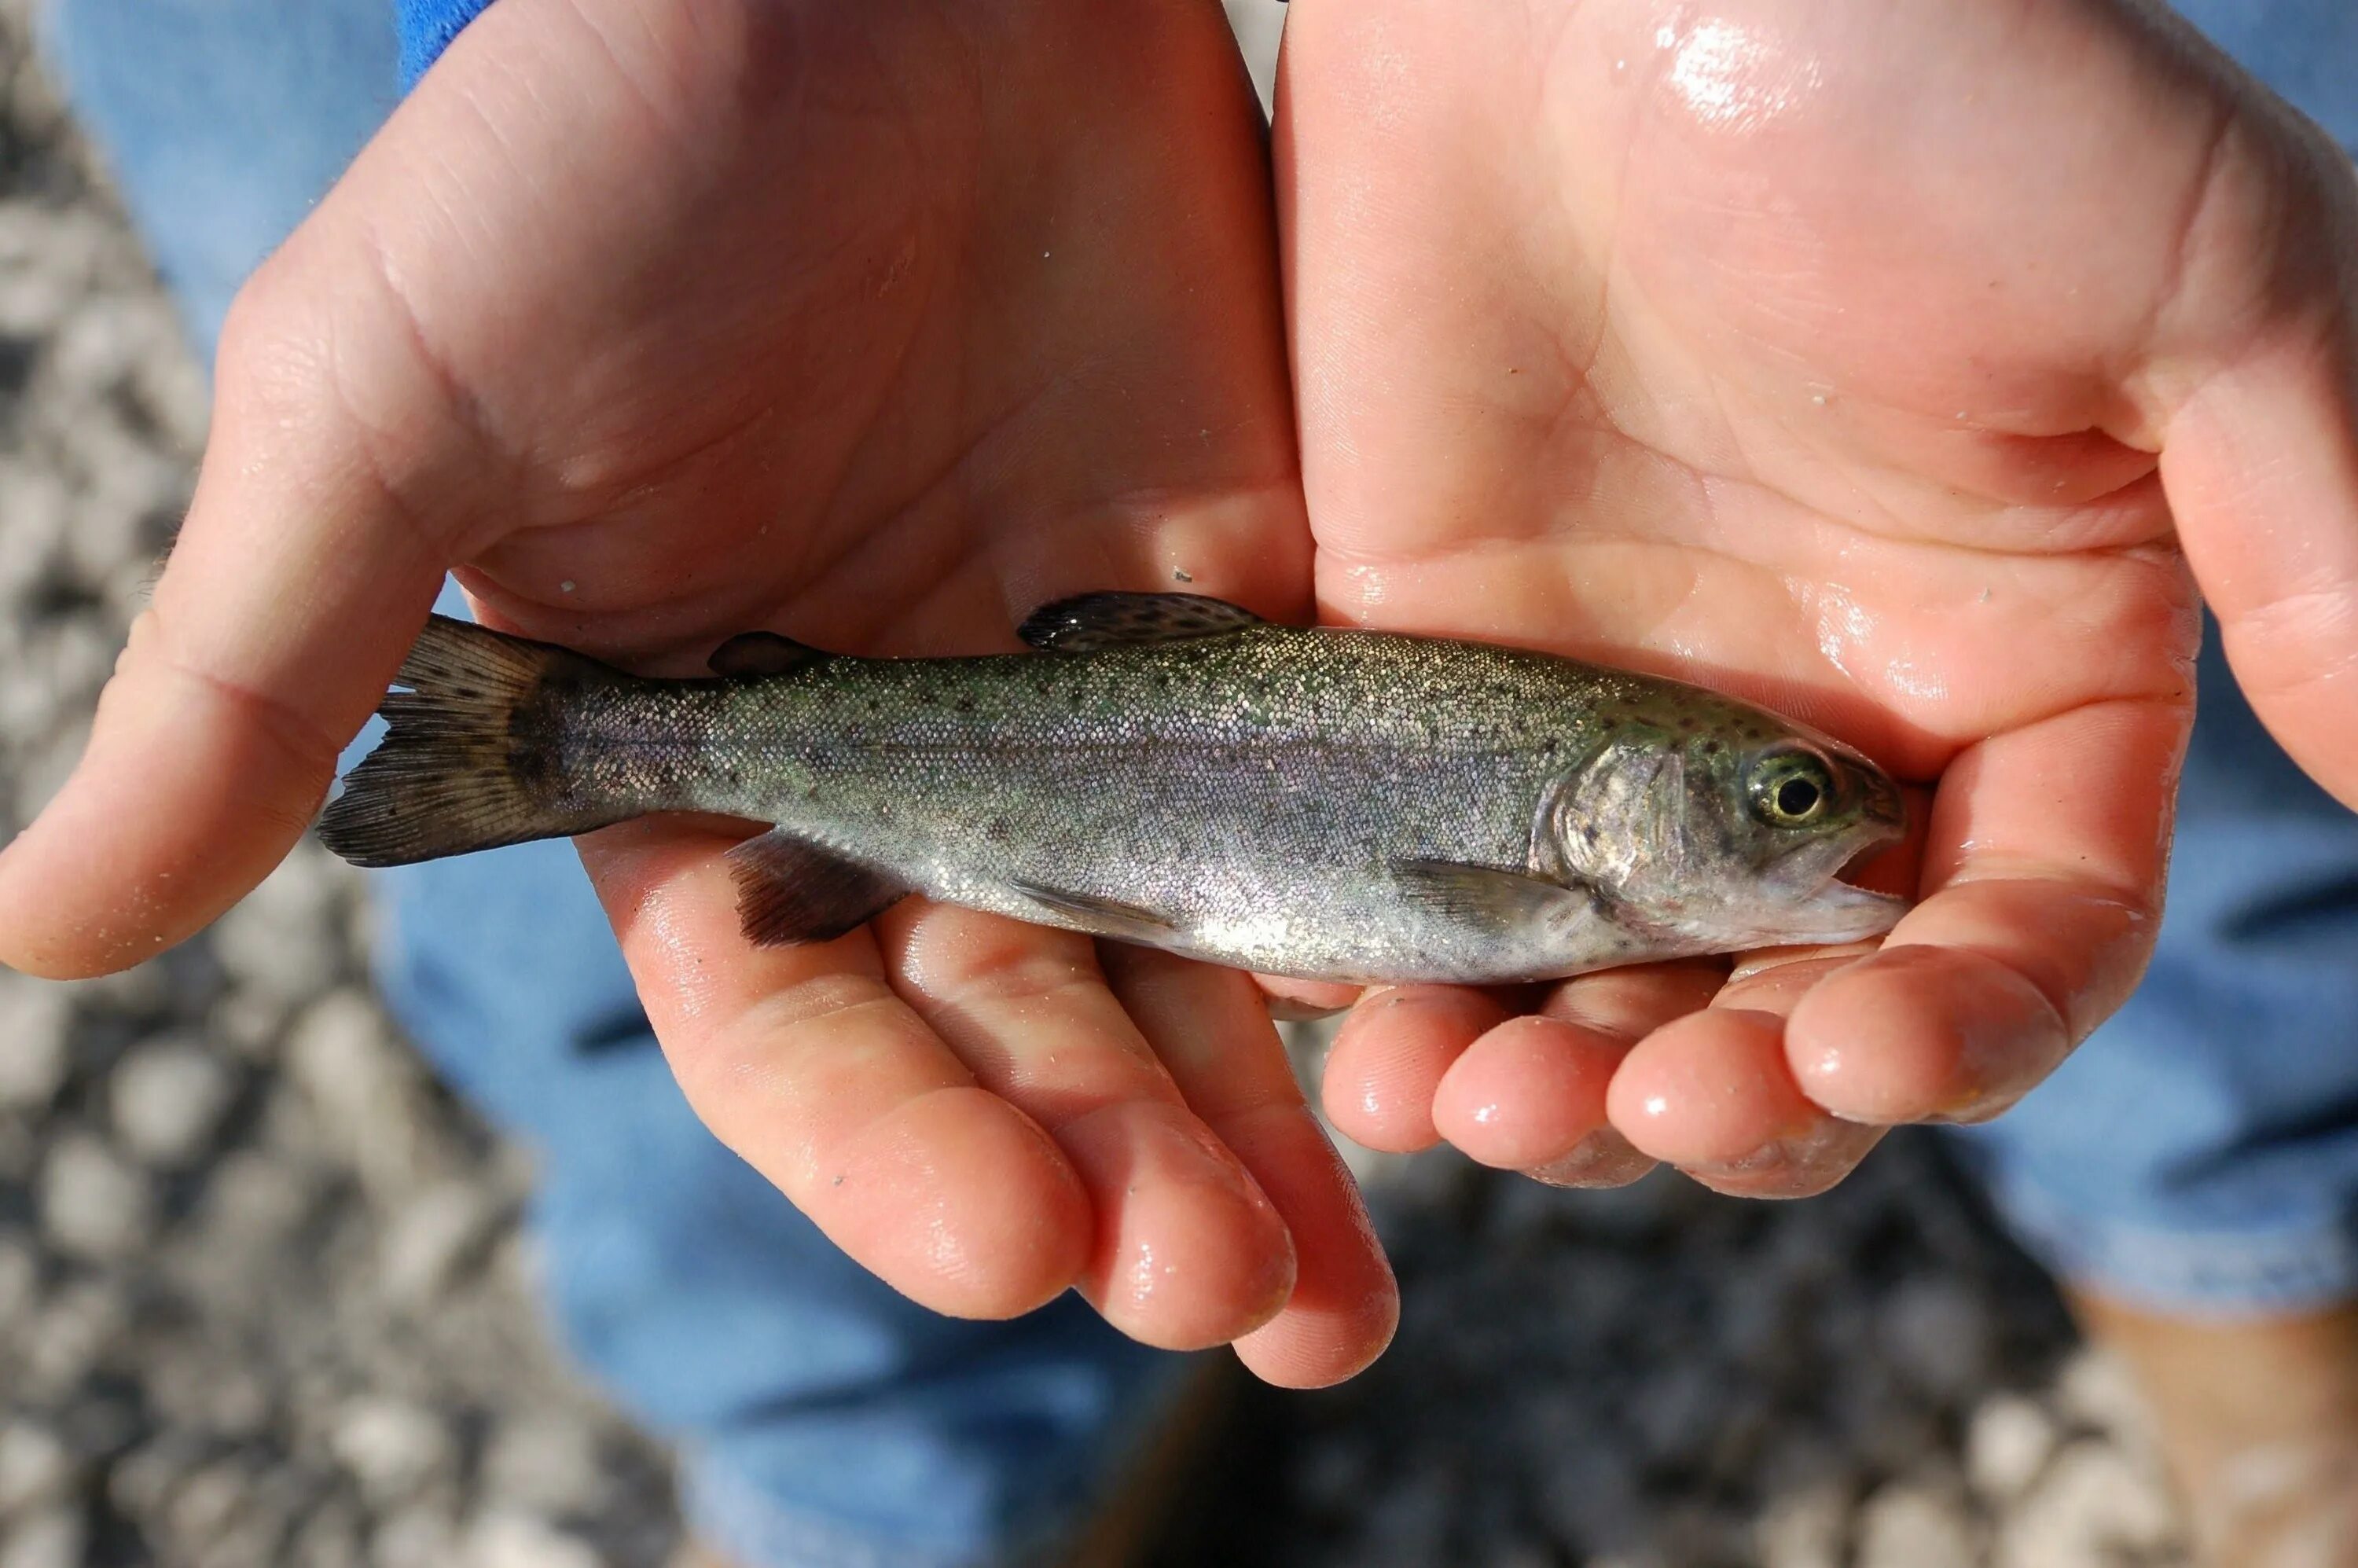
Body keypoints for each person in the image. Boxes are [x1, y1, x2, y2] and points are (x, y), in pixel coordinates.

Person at [6, 0, 2356, 1562]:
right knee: (749, 1020)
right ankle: (919, 1468)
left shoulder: (1612, 809)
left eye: (1779, 808)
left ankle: (2237, 1210)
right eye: (1761, 807)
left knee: (2068, 557)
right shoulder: (1531, 842)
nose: (1812, 825)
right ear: (1622, 805)